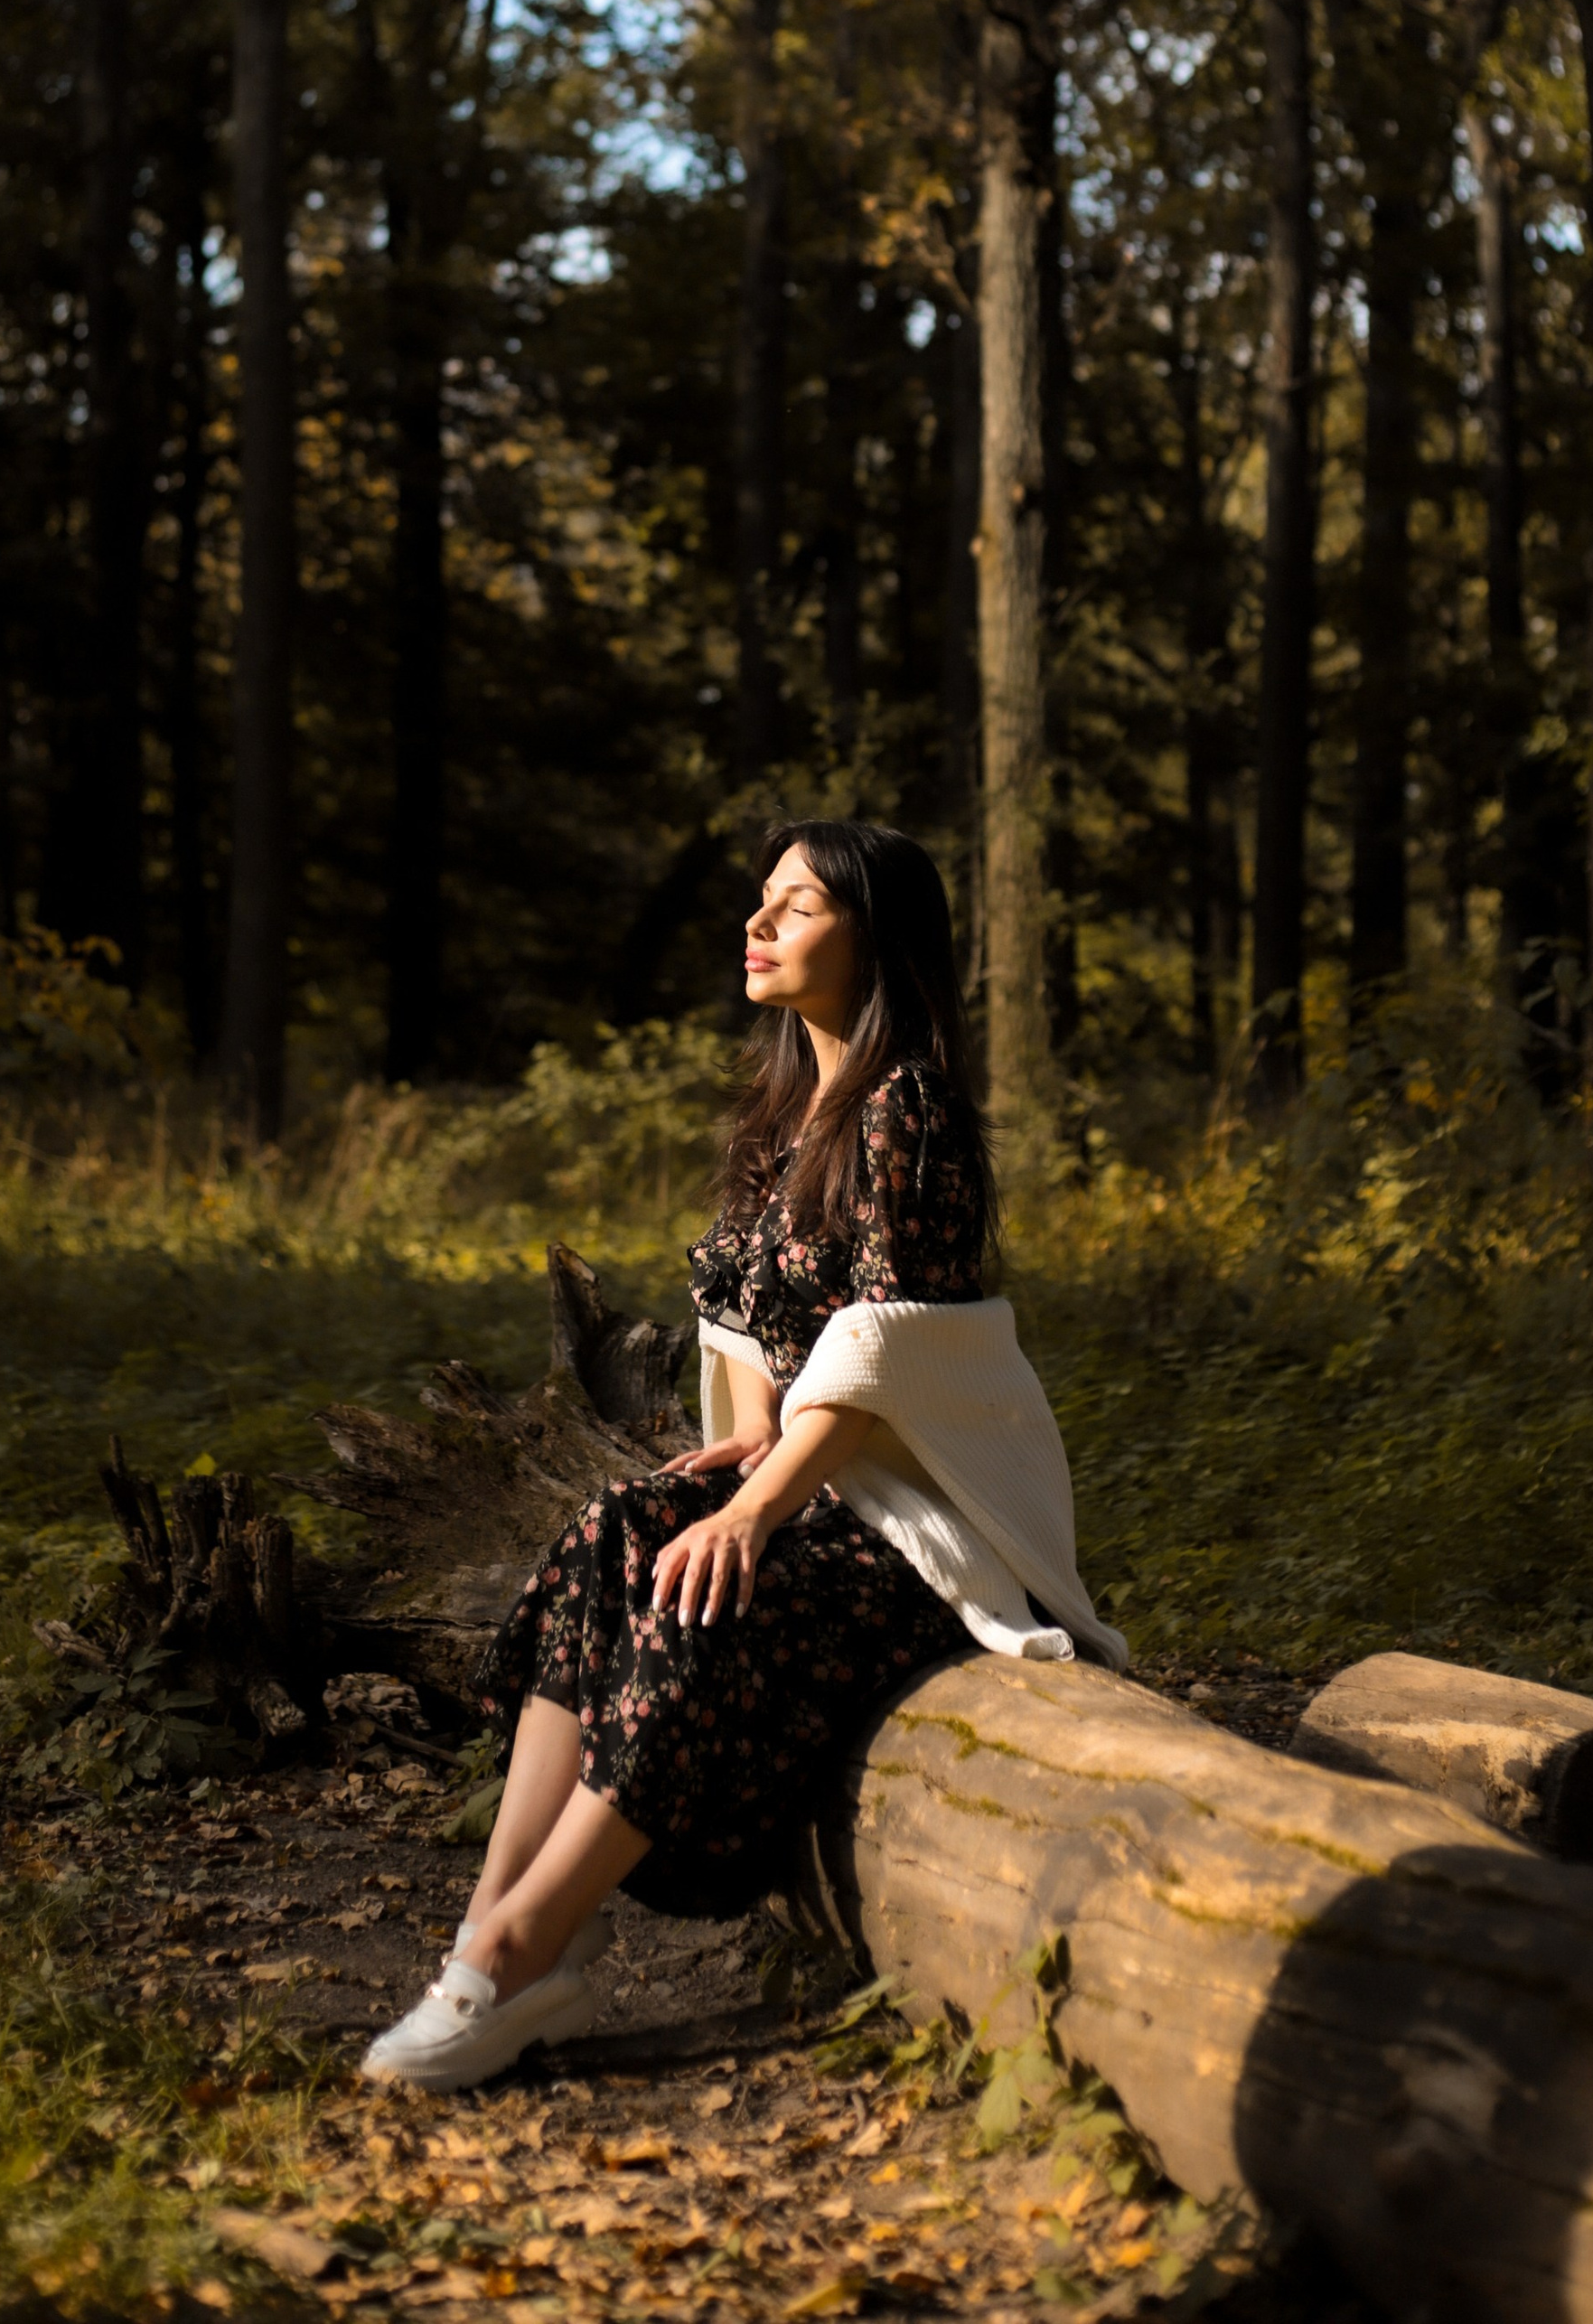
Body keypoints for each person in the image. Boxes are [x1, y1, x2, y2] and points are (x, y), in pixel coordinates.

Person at [361, 817, 1125, 2094]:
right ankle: (498, 1928)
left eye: (799, 905)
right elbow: (755, 1325)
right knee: (617, 1532)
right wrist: (747, 1453)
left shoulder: (909, 1110)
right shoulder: (787, 1112)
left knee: (711, 1593)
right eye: (760, 901)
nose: (759, 926)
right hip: (818, 1486)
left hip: (919, 1538)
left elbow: (895, 1351)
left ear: (874, 935)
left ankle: (517, 1943)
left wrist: (758, 1512)